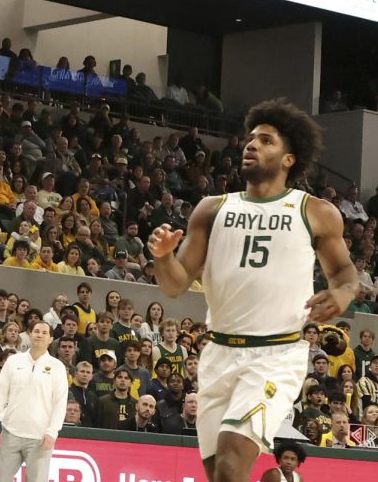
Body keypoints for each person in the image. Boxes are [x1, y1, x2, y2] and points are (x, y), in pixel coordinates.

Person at [147, 99, 357, 482]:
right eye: (250, 138)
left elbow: (344, 272)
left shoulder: (314, 211)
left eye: (265, 140)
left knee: (229, 463)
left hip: (275, 355)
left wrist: (342, 294)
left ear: (289, 159)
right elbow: (176, 285)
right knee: (220, 477)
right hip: (218, 353)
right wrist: (163, 257)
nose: (251, 145)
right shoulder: (211, 209)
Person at [0, 322, 68, 482]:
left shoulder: (57, 367)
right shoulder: (14, 361)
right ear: (30, 335)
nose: (39, 335)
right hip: (11, 433)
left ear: (50, 339)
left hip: (40, 438)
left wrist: (52, 431)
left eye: (44, 332)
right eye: (36, 331)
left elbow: (60, 402)